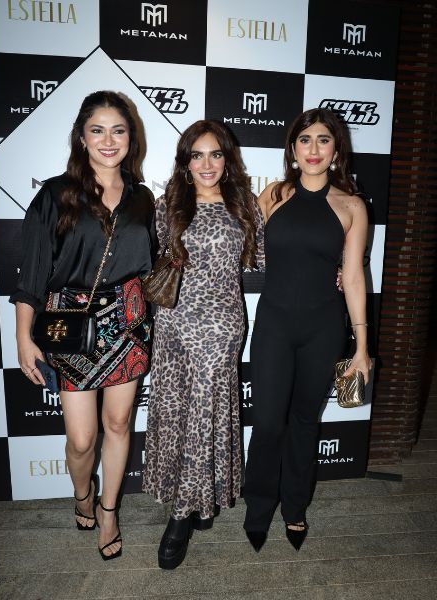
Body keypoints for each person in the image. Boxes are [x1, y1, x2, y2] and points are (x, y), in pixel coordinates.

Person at [9, 91, 156, 561]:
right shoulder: (56, 194)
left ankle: (108, 511)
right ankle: (82, 493)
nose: (108, 140)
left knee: (119, 423)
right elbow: (33, 274)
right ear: (82, 137)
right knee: (81, 439)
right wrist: (23, 337)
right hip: (71, 325)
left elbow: (152, 265)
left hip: (127, 322)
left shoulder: (142, 198)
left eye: (118, 130)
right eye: (97, 130)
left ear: (131, 137)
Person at [242, 108, 373, 552]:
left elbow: (353, 277)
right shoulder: (273, 195)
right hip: (274, 325)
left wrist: (361, 346)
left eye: (323, 140)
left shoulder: (352, 206)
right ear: (293, 149)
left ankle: (295, 507)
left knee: (304, 421)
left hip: (324, 329)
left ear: (336, 150)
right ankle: (259, 507)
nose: (313, 149)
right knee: (267, 423)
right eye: (304, 140)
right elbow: (244, 249)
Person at [142, 120, 265, 569]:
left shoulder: (244, 204)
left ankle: (179, 519)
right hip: (173, 322)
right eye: (197, 155)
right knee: (179, 411)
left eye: (216, 154)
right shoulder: (168, 204)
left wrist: (334, 267)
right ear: (185, 162)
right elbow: (149, 256)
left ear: (227, 160)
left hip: (221, 325)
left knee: (203, 414)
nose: (207, 164)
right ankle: (200, 498)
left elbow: (267, 256)